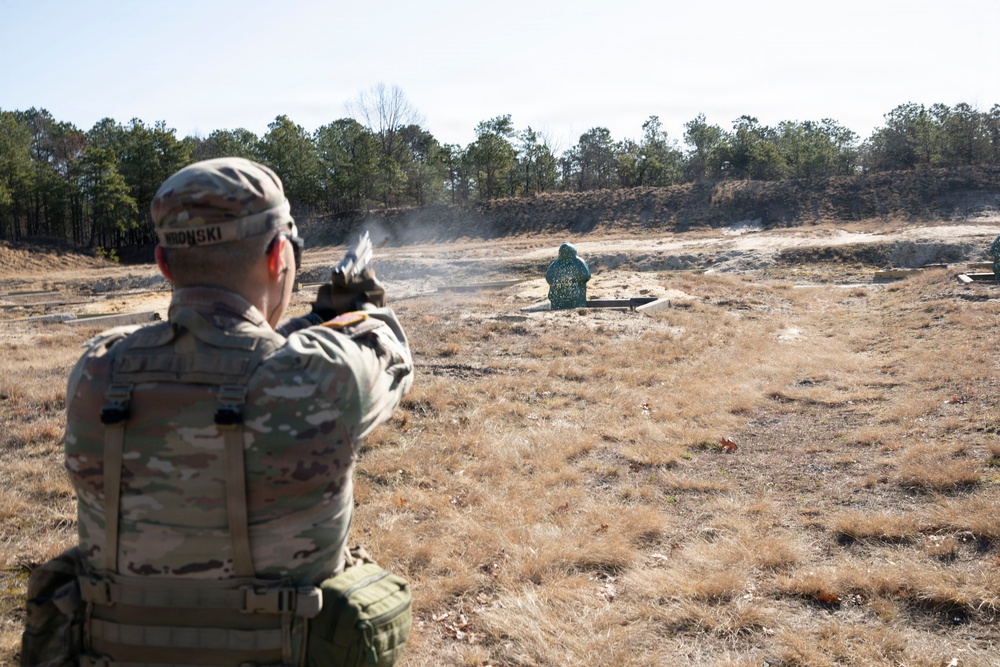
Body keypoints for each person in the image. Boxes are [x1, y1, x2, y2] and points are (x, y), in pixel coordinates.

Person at [60, 157, 413, 665]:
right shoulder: (320, 376)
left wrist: (302, 323)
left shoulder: (96, 372)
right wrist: (357, 304)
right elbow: (389, 347)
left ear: (163, 263)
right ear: (277, 257)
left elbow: (219, 349)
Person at [545, 242, 591, 309]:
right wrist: (556, 282)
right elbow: (548, 276)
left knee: (576, 296)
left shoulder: (578, 262)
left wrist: (574, 279)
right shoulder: (557, 263)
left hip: (576, 290)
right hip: (559, 291)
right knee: (557, 298)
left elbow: (586, 275)